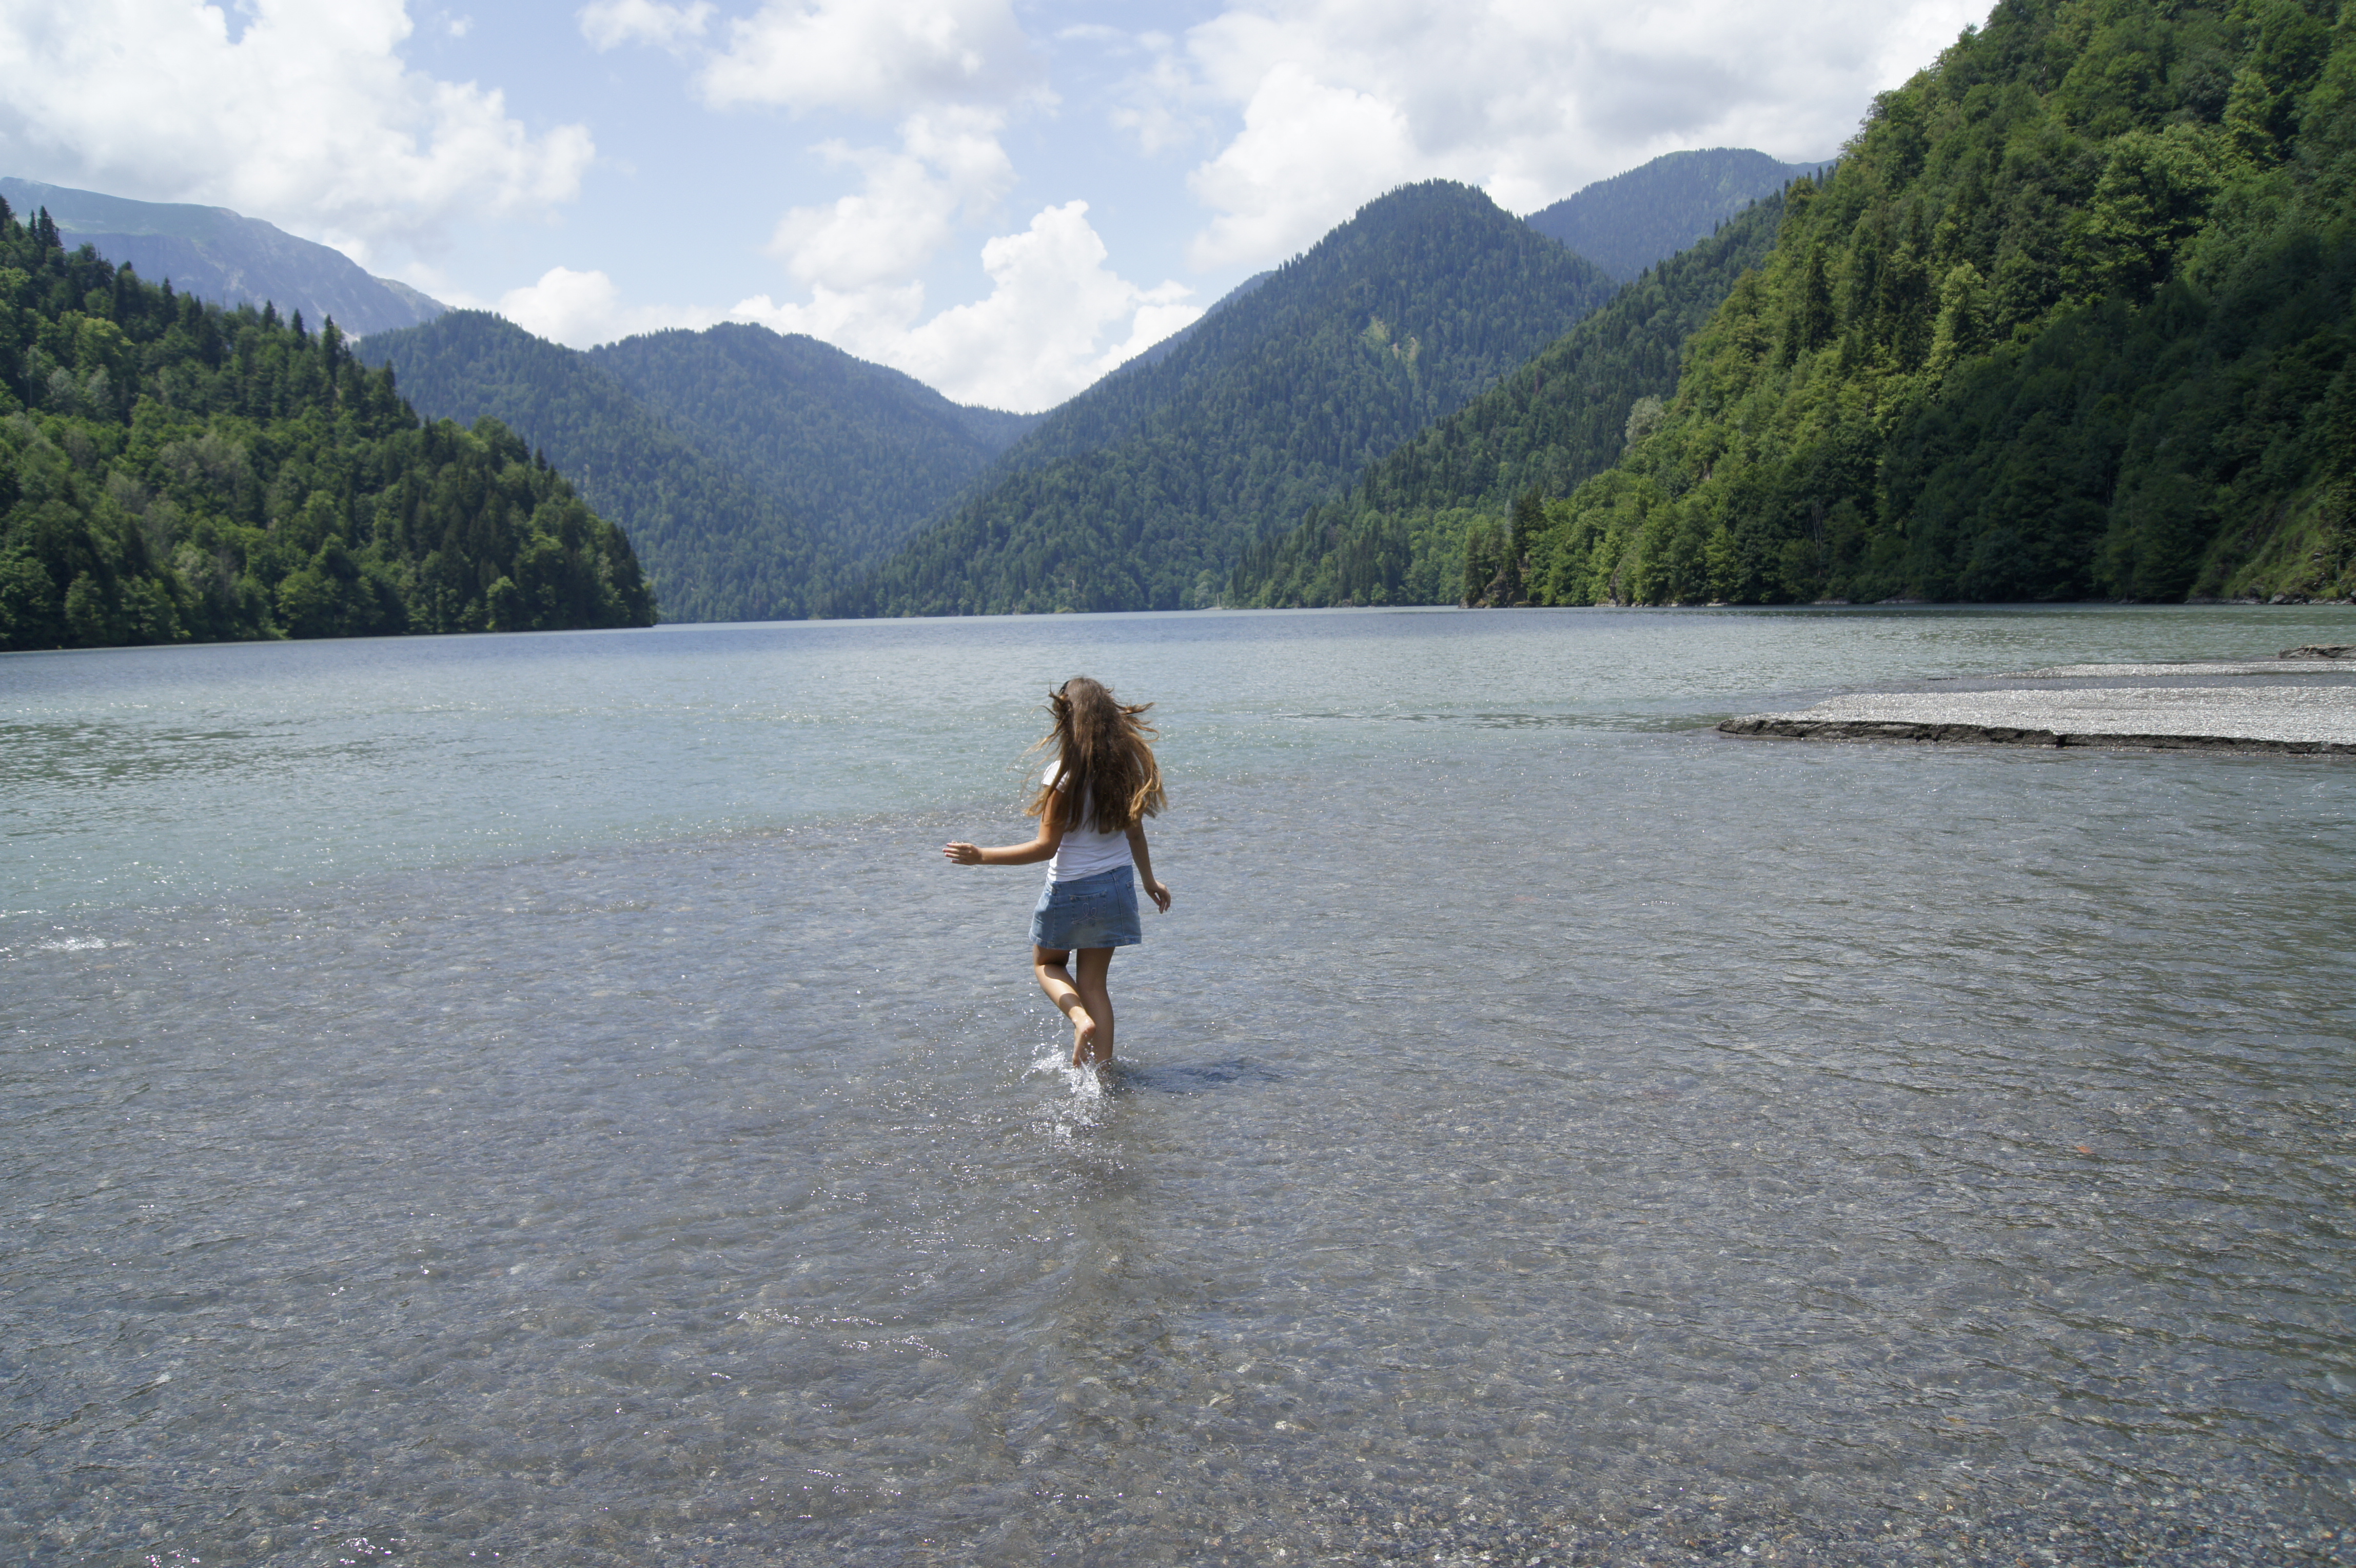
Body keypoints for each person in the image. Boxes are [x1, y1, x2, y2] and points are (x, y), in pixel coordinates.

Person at [943, 677, 1173, 1070]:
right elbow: (1135, 830)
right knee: (1095, 984)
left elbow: (1044, 848)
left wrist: (982, 856)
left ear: (1068, 719)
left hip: (1071, 889)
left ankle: (1080, 1020)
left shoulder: (1063, 775)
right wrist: (1150, 881)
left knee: (1046, 964)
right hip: (1117, 886)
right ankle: (1103, 1074)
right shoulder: (1125, 768)